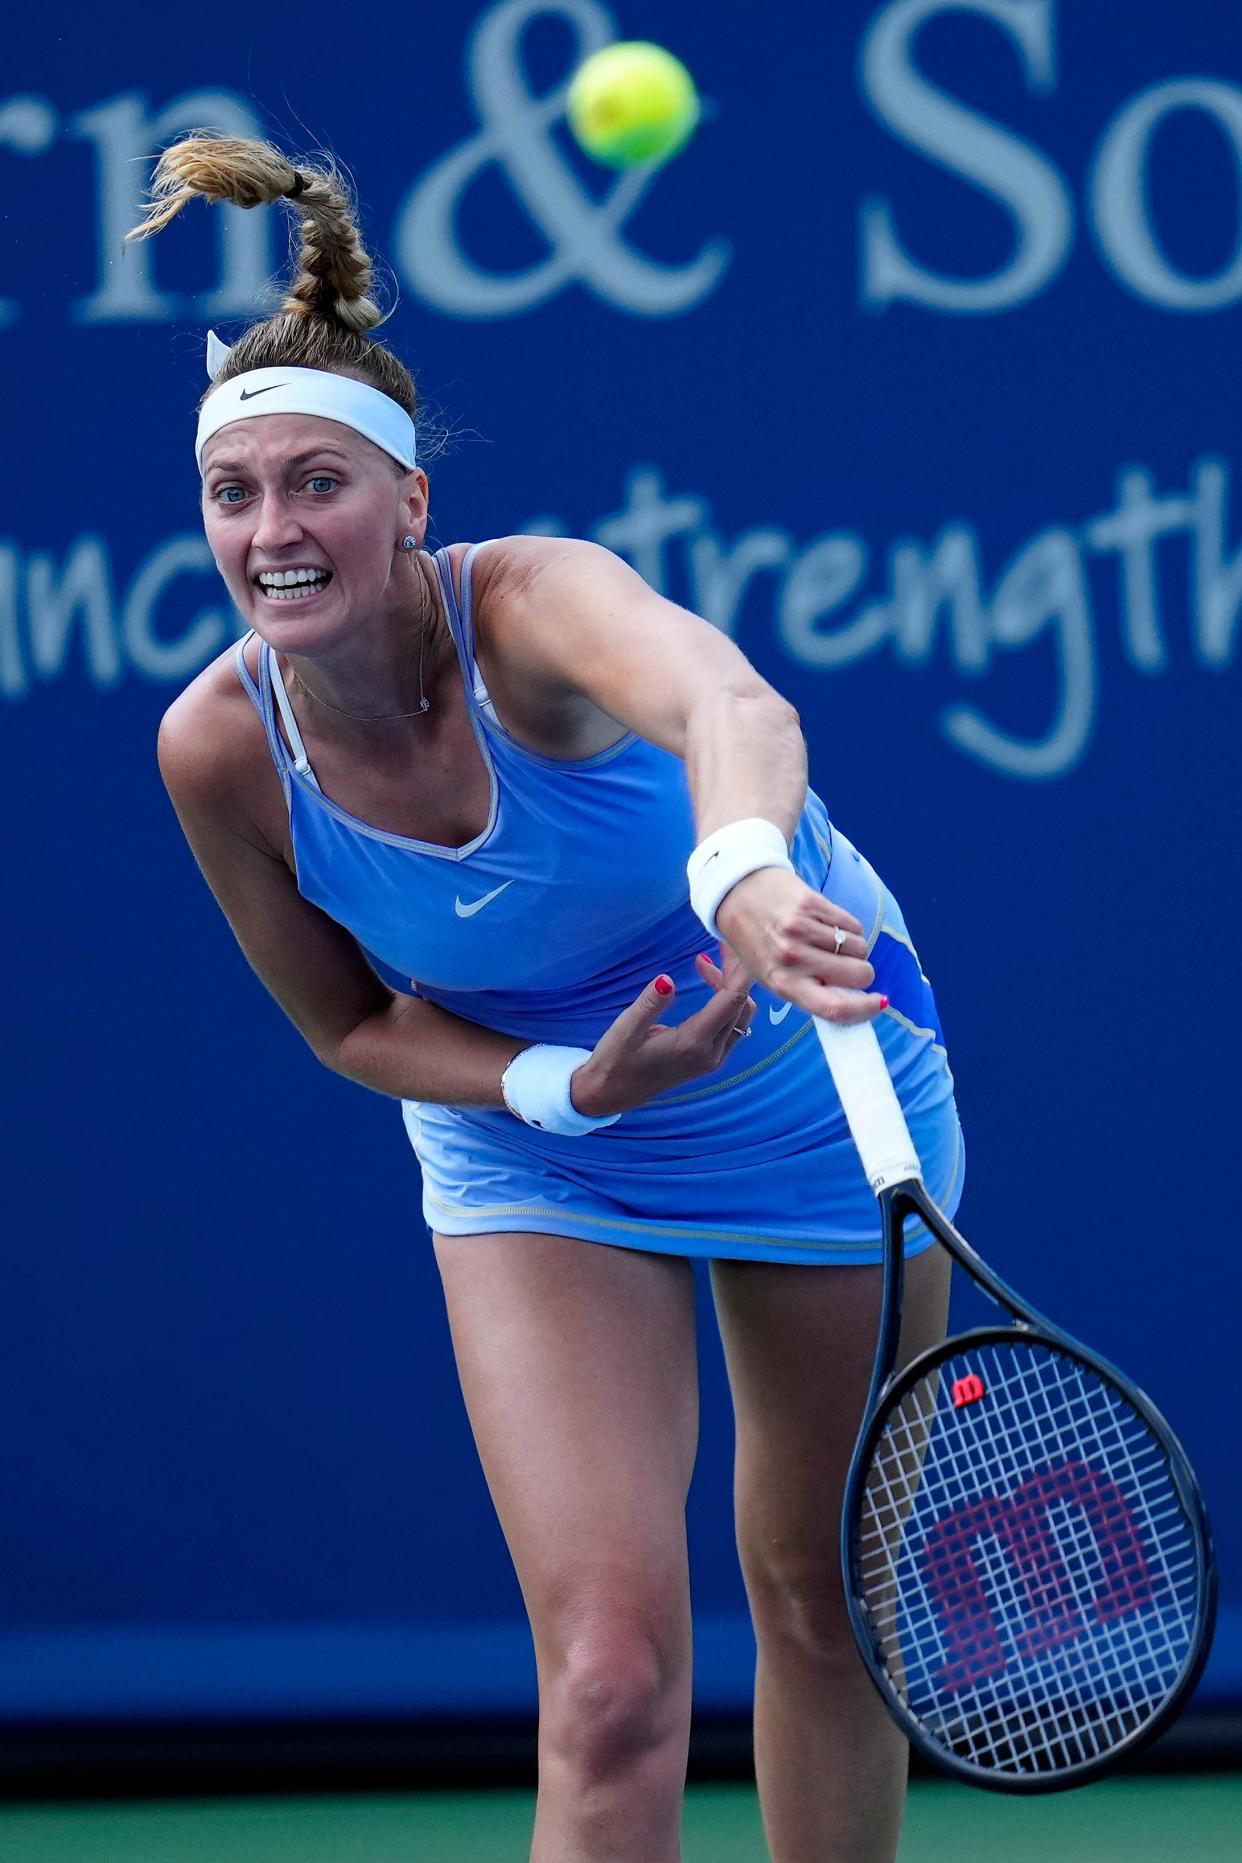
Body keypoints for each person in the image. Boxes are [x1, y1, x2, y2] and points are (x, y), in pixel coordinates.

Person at [134, 135, 964, 1863]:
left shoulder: (531, 608)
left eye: (319, 485)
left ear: (410, 502)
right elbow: (349, 1027)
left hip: (812, 1081)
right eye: (234, 495)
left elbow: (726, 698)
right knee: (603, 1680)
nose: (274, 532)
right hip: (542, 1144)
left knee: (818, 1600)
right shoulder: (219, 748)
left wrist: (738, 863)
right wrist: (565, 1091)